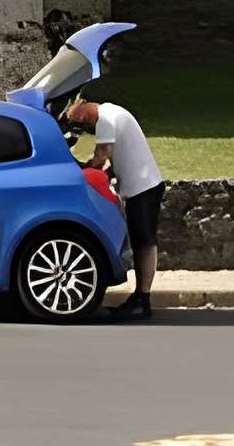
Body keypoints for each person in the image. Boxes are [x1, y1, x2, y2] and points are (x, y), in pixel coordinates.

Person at [65, 94, 165, 320]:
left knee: (144, 242)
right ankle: (141, 297)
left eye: (80, 122)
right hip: (143, 185)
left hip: (143, 187)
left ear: (83, 111)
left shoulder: (105, 120)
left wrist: (83, 172)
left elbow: (102, 157)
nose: (84, 127)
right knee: (142, 241)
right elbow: (115, 161)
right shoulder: (112, 111)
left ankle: (142, 299)